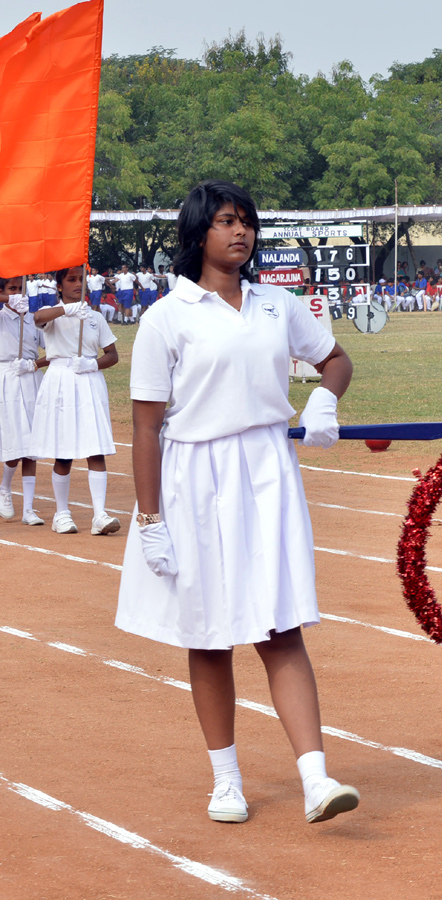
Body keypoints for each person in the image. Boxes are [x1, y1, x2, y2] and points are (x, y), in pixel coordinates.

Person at [115, 179, 359, 825]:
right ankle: (226, 779)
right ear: (199, 234)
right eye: (226, 221)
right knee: (210, 636)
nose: (240, 232)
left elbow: (334, 358)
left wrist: (325, 397)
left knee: (280, 627)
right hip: (194, 475)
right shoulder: (167, 316)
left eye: (246, 221)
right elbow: (145, 426)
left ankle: (315, 779)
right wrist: (149, 518)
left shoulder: (278, 305)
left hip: (267, 472)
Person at [29, 267, 120, 535]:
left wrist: (92, 364)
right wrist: (67, 310)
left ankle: (99, 514)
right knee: (64, 451)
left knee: (96, 447)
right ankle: (61, 514)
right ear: (59, 286)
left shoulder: (94, 318)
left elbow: (112, 354)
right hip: (61, 381)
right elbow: (37, 318)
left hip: (89, 380)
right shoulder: (54, 315)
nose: (78, 284)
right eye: (71, 280)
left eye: (81, 280)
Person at [0, 276, 48, 525]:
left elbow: (53, 351)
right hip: (7, 379)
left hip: (31, 378)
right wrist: (10, 300)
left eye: (21, 288)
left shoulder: (33, 318)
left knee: (32, 446)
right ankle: (5, 489)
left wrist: (33, 364)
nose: (18, 293)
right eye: (12, 288)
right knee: (14, 441)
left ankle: (29, 508)